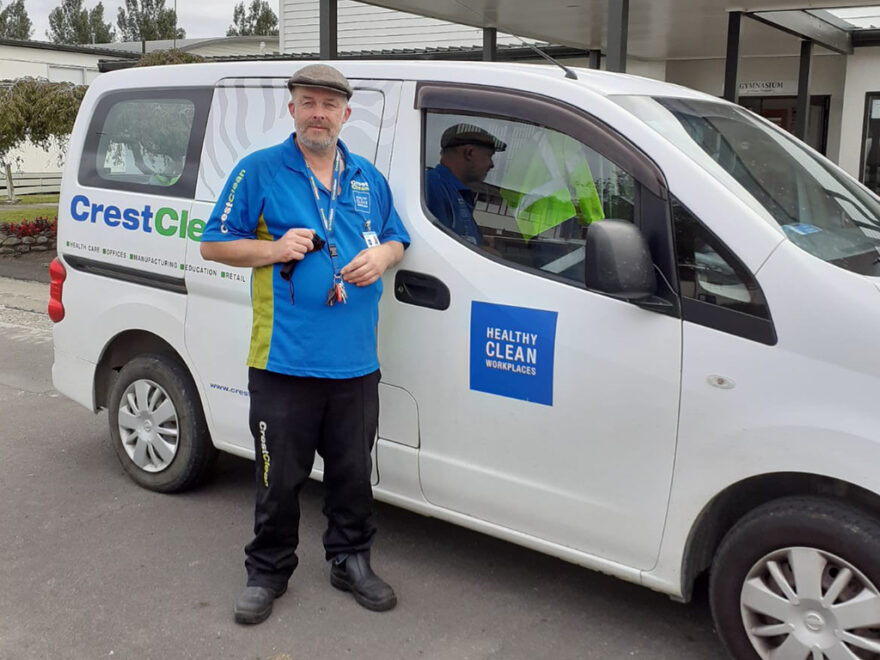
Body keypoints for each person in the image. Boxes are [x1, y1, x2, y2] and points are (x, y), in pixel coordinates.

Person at [200, 63, 410, 625]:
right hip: (283, 361)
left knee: (351, 473)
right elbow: (214, 244)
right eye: (308, 101)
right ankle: (267, 571)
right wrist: (274, 249)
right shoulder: (261, 170)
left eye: (330, 104)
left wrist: (384, 257)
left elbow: (398, 236)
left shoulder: (367, 176)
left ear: (346, 113)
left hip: (356, 365)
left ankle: (350, 560)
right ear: (291, 109)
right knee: (278, 477)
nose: (319, 113)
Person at [424, 123, 506, 246]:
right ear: (469, 153)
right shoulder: (433, 187)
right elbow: (439, 246)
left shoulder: (454, 191)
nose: (492, 164)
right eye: (489, 156)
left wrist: (481, 245)